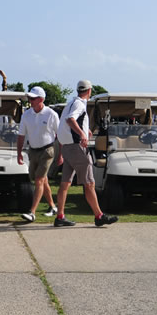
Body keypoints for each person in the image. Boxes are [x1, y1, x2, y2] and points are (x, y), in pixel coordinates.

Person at [54, 80, 118, 228]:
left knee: (65, 184)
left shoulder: (70, 103)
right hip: (77, 148)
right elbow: (71, 120)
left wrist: (84, 129)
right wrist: (82, 133)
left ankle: (60, 216)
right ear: (89, 91)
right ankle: (99, 216)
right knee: (89, 183)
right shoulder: (79, 104)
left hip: (67, 148)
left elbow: (65, 122)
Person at [16, 86, 60, 222]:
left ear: (41, 99)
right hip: (33, 150)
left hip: (48, 150)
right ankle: (53, 206)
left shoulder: (51, 114)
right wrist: (19, 153)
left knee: (39, 180)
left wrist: (61, 155)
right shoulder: (26, 114)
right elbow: (21, 135)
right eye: (29, 98)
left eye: (33, 98)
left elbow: (60, 135)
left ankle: (32, 212)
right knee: (42, 179)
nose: (30, 100)